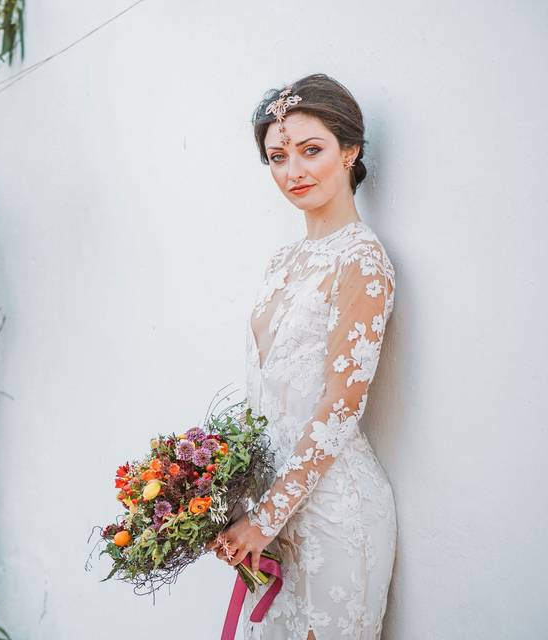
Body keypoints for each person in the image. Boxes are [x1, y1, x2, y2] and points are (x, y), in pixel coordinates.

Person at [208, 74, 397, 639]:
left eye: (311, 150)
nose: (294, 171)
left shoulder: (362, 261)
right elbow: (265, 395)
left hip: (335, 510)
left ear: (350, 151)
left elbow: (341, 405)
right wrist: (228, 495)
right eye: (277, 156)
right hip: (272, 507)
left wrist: (266, 519)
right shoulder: (282, 261)